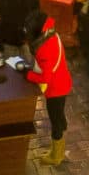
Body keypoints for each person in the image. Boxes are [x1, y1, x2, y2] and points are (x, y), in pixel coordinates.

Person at [26, 11, 71, 165]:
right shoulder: (51, 34)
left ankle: (56, 156)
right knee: (59, 117)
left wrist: (29, 75)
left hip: (56, 90)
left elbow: (45, 78)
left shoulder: (45, 47)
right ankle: (57, 148)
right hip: (63, 82)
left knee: (56, 121)